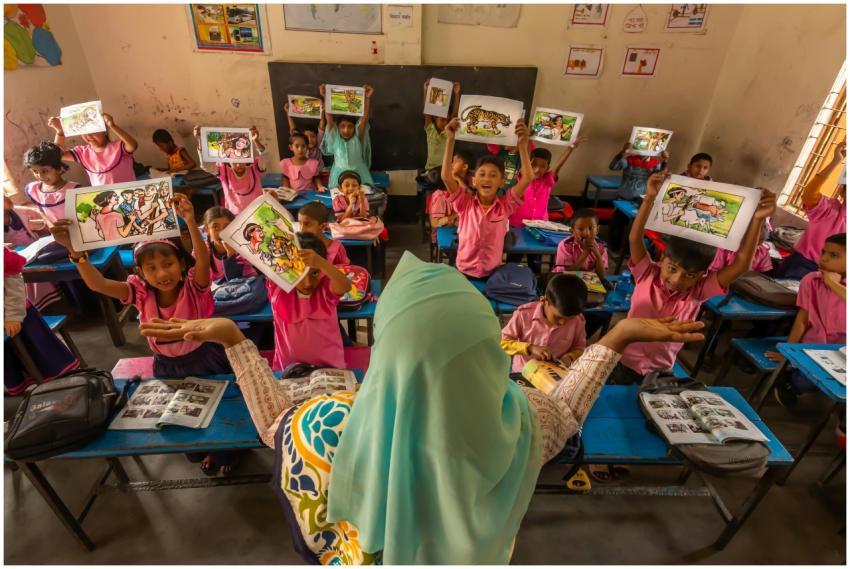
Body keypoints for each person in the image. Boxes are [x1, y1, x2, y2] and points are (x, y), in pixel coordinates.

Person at [138, 252, 706, 564]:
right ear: (487, 345)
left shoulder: (329, 424)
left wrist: (235, 340)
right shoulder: (518, 423)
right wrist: (616, 337)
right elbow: (568, 410)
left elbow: (272, 422)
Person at [607, 171, 777, 385]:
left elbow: (742, 264)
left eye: (690, 275)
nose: (678, 280)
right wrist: (650, 197)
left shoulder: (698, 291)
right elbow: (634, 237)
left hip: (660, 373)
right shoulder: (646, 274)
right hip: (623, 363)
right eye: (672, 268)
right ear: (661, 259)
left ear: (702, 274)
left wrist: (757, 220)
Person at [440, 116, 533, 279]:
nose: (487, 179)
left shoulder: (505, 206)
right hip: (463, 271)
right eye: (481, 174)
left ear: (502, 182)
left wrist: (523, 146)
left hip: (492, 273)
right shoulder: (465, 203)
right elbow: (447, 177)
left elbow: (527, 178)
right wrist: (450, 140)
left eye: (493, 175)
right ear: (474, 181)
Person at [769, 233, 846, 406]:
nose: (824, 259)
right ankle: (790, 382)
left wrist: (834, 284)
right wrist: (787, 352)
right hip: (812, 347)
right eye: (824, 252)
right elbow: (802, 319)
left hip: (842, 352)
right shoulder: (811, 280)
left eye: (834, 255)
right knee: (806, 381)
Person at [266, 233, 351, 372]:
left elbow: (346, 285)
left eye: (315, 273)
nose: (307, 283)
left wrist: (321, 262)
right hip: (290, 369)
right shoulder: (279, 289)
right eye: (299, 273)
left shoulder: (326, 288)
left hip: (329, 369)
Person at [3, 248, 79, 395]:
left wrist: (13, 316)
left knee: (40, 354)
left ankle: (59, 386)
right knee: (11, 362)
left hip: (16, 316)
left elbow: (14, 287)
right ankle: (21, 384)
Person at [776, 143, 846, 279]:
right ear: (842, 193)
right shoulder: (829, 210)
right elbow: (809, 194)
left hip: (837, 277)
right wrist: (835, 162)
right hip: (804, 266)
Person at [501, 273, 587, 372]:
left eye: (570, 319)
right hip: (524, 372)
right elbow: (503, 343)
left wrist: (570, 357)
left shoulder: (578, 320)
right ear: (544, 300)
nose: (563, 323)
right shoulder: (523, 315)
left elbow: (579, 348)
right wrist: (530, 348)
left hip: (557, 373)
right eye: (558, 317)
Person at [508, 138, 587, 228]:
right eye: (534, 165)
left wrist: (571, 147)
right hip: (517, 224)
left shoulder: (547, 181)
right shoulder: (522, 178)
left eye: (542, 166)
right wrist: (528, 138)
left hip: (540, 225)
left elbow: (558, 166)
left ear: (547, 168)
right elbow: (526, 155)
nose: (537, 169)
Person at [48, 111, 138, 186]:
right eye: (83, 132)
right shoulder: (82, 153)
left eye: (93, 131)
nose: (88, 135)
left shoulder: (118, 147)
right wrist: (60, 132)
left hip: (128, 195)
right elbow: (58, 155)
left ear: (105, 131)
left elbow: (133, 145)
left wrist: (112, 125)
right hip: (105, 200)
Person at [194, 125, 265, 214]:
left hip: (258, 212)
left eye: (241, 160)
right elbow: (205, 165)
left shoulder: (255, 168)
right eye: (234, 161)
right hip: (234, 216)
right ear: (228, 160)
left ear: (246, 156)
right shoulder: (224, 171)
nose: (238, 165)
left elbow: (265, 156)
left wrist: (256, 141)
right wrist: (200, 140)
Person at [320, 84, 374, 188]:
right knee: (341, 199)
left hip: (360, 173)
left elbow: (364, 118)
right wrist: (326, 96)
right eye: (342, 126)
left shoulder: (358, 137)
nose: (346, 130)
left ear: (355, 127)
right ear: (337, 127)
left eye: (350, 126)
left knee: (360, 197)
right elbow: (329, 118)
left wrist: (367, 98)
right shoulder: (335, 138)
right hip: (339, 175)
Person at [22, 141, 79, 226]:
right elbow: (42, 212)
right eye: (35, 171)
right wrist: (51, 226)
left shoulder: (75, 190)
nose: (40, 176)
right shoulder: (34, 190)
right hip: (58, 235)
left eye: (45, 171)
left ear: (59, 169)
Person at [420, 80, 461, 185]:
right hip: (430, 171)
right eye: (442, 119)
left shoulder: (450, 133)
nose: (445, 122)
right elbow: (427, 111)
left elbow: (455, 113)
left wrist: (457, 94)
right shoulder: (430, 129)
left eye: (447, 120)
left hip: (446, 172)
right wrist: (426, 90)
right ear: (434, 118)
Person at [201, 206, 257, 282]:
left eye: (227, 227)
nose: (222, 232)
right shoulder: (202, 251)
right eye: (216, 227)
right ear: (206, 230)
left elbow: (236, 281)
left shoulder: (243, 249)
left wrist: (231, 254)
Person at [428, 149, 471, 244]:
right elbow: (435, 223)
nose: (451, 165)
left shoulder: (467, 183)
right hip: (445, 233)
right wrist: (457, 216)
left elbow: (471, 199)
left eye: (454, 162)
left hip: (460, 227)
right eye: (451, 161)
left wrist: (458, 179)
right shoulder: (441, 195)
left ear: (465, 167)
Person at [554, 208, 609, 279]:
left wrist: (598, 255)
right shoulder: (565, 245)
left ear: (597, 229)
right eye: (580, 229)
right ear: (572, 231)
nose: (587, 233)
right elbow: (565, 275)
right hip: (567, 281)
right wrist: (585, 253)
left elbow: (602, 276)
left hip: (590, 282)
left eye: (591, 228)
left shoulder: (601, 246)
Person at [708, 221, 774, 274]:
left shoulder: (762, 252)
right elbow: (714, 276)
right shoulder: (723, 250)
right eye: (757, 229)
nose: (763, 233)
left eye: (764, 227)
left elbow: (759, 279)